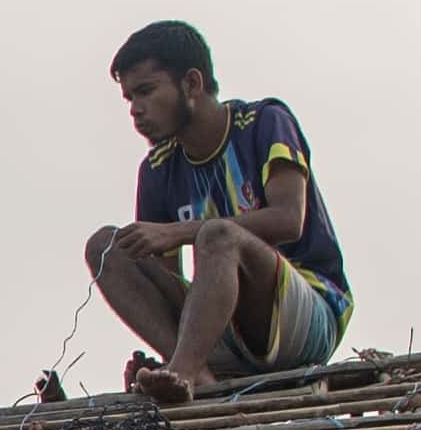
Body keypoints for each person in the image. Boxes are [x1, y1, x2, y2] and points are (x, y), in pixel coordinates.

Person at [82, 20, 353, 399]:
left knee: (218, 235)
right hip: (223, 335)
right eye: (129, 99)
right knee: (106, 245)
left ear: (191, 84)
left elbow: (289, 220)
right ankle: (197, 372)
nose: (136, 110)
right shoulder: (158, 169)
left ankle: (184, 369)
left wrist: (180, 232)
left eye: (146, 91)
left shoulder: (264, 123)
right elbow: (166, 281)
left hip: (306, 315)